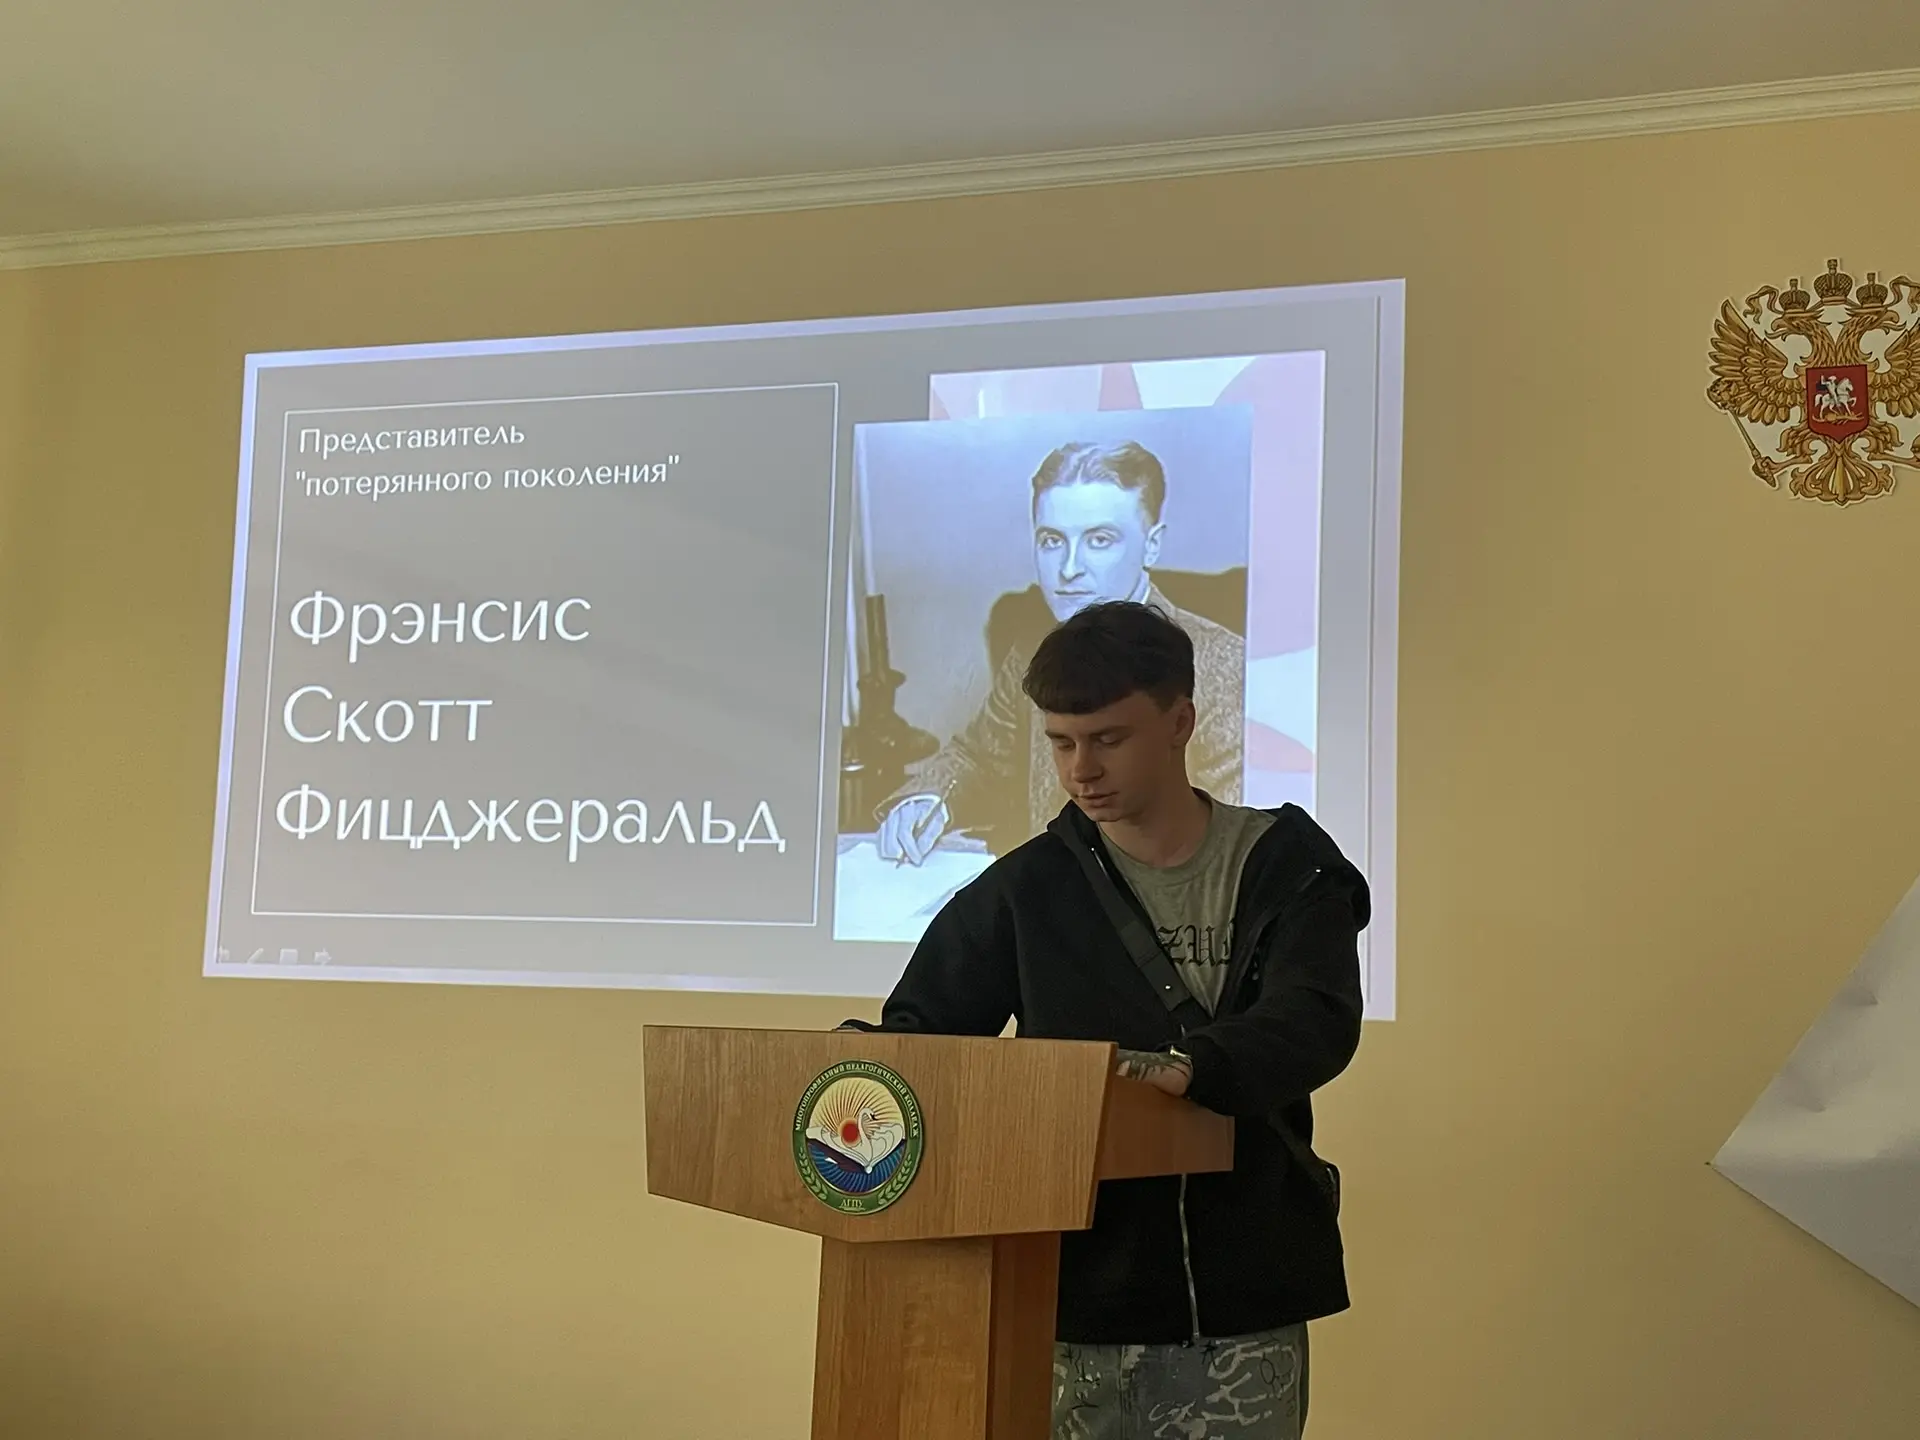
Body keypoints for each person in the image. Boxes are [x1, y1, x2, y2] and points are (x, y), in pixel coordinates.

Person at [846, 601, 1367, 1439]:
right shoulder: (1024, 890)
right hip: (1072, 1306)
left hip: (1242, 1302)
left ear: (1180, 722)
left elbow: (1316, 1019)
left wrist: (1196, 1067)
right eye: (1060, 742)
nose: (1080, 769)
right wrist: (853, 1069)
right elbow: (925, 1038)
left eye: (1108, 739)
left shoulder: (1288, 868)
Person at [878, 440, 1244, 863]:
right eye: (1052, 541)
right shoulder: (1031, 649)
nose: (1069, 569)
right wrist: (928, 800)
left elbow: (1228, 848)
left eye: (1099, 540)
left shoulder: (1225, 669)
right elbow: (978, 757)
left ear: (1152, 544)